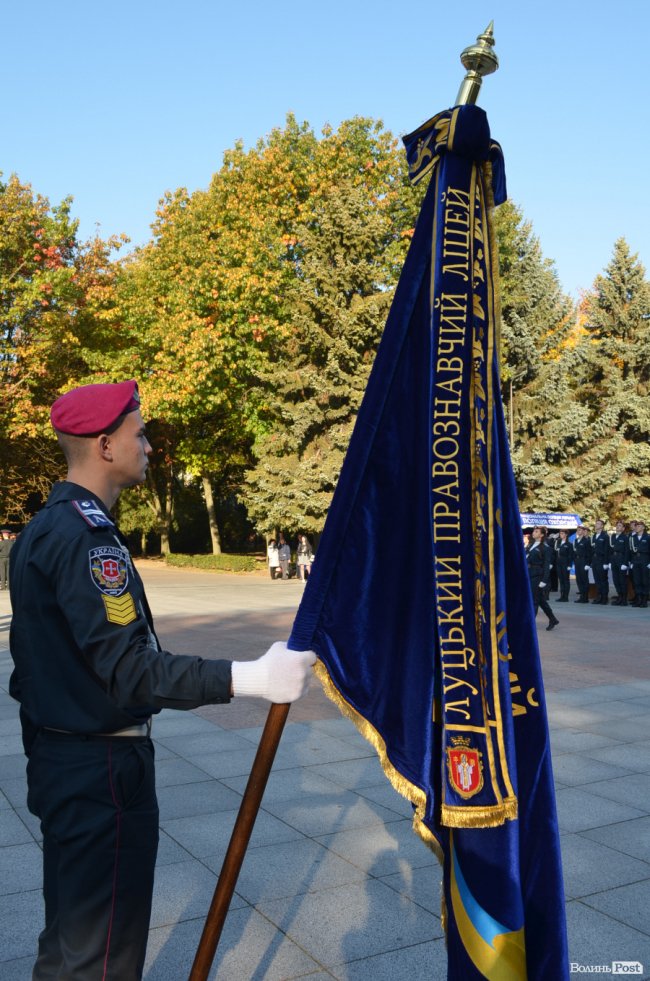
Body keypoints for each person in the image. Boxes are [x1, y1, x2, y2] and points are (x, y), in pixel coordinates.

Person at [8, 380, 316, 981]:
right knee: (103, 960)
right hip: (99, 773)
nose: (148, 445)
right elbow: (129, 671)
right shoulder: (86, 539)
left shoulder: (41, 532)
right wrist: (248, 676)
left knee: (71, 945)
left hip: (64, 763)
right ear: (103, 445)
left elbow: (37, 672)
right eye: (139, 433)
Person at [525, 526, 559, 630]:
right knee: (540, 600)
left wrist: (544, 580)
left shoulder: (545, 548)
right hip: (529, 574)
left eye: (536, 531)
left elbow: (546, 565)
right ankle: (553, 619)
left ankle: (530, 624)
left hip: (538, 576)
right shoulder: (530, 545)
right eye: (534, 531)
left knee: (534, 601)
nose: (533, 533)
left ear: (542, 535)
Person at [629, 520, 650, 608]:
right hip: (635, 560)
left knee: (644, 581)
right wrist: (631, 562)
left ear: (643, 528)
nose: (636, 527)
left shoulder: (648, 537)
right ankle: (639, 599)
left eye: (639, 526)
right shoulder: (633, 538)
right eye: (636, 526)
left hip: (645, 560)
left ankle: (644, 600)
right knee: (637, 581)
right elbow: (630, 551)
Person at [590, 518, 612, 605]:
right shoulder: (594, 536)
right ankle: (599, 596)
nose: (596, 525)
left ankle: (604, 597)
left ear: (602, 526)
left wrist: (606, 563)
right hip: (595, 560)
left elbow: (607, 550)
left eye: (598, 524)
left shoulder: (605, 536)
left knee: (603, 580)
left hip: (602, 560)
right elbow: (592, 550)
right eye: (596, 523)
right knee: (597, 580)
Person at [610, 520, 630, 606]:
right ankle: (619, 597)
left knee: (622, 580)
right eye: (617, 525)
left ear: (623, 528)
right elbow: (609, 550)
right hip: (613, 559)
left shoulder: (625, 537)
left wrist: (625, 563)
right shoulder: (613, 536)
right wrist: (610, 561)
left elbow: (627, 551)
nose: (618, 527)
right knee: (616, 580)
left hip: (621, 559)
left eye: (620, 525)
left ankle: (624, 599)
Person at [573, 525, 592, 603]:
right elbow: (574, 552)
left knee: (584, 579)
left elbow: (589, 553)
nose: (578, 531)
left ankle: (585, 597)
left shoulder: (586, 541)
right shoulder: (576, 540)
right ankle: (581, 595)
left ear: (583, 532)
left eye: (580, 530)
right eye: (577, 530)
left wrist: (588, 563)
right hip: (577, 561)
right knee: (578, 579)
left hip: (584, 561)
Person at [554, 529, 574, 601]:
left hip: (565, 563)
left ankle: (566, 597)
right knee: (561, 580)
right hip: (559, 563)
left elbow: (570, 555)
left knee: (566, 580)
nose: (560, 535)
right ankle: (562, 595)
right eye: (560, 533)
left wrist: (569, 565)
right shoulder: (558, 542)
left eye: (562, 533)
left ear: (566, 534)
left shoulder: (569, 544)